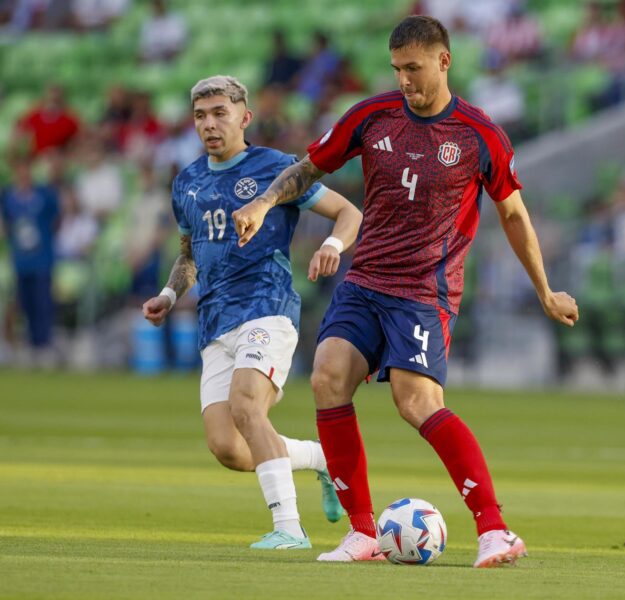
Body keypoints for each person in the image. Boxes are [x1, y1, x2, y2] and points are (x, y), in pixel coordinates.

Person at [232, 16, 579, 567]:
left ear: (444, 61)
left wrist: (545, 290)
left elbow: (513, 213)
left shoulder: (477, 133)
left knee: (415, 403)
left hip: (424, 290)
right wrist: (264, 201)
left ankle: (495, 530)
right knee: (326, 377)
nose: (404, 81)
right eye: (397, 69)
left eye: (413, 69)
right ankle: (363, 533)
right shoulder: (373, 116)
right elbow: (307, 167)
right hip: (366, 278)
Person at [141, 75, 362, 549]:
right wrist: (169, 294)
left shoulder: (278, 169)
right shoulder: (187, 182)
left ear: (245, 116)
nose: (209, 124)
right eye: (201, 116)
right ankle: (320, 458)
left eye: (220, 113)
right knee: (228, 448)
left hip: (267, 307)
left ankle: (289, 529)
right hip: (214, 321)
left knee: (247, 405)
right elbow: (190, 252)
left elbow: (350, 213)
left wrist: (330, 245)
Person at [0, 155, 60, 362]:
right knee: (24, 304)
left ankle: (44, 346)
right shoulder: (9, 196)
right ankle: (29, 345)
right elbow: (7, 224)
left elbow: (56, 219)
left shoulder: (43, 195)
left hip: (42, 259)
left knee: (42, 303)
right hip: (21, 260)